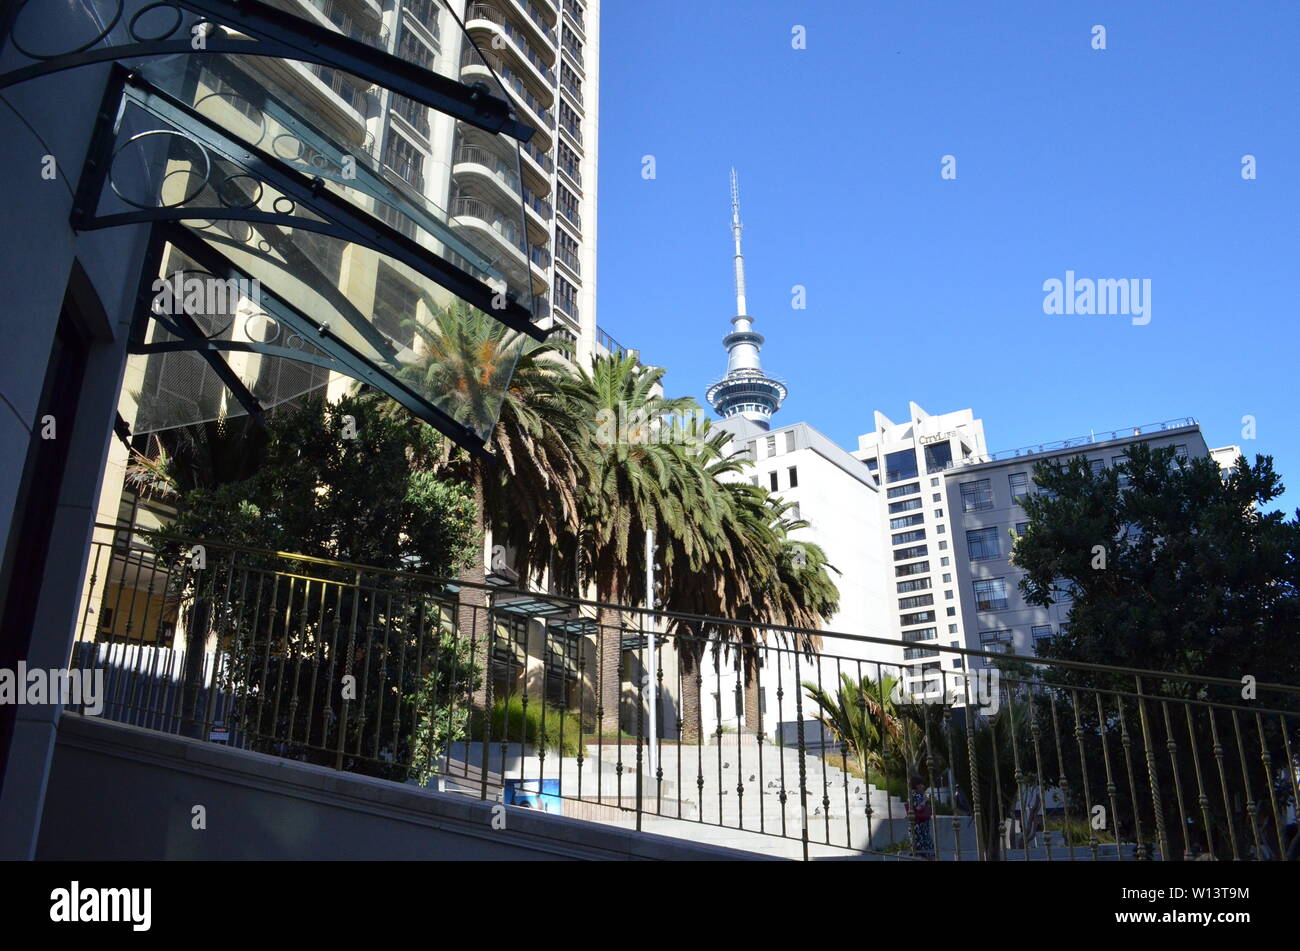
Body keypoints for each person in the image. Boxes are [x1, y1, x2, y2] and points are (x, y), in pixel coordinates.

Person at [908, 776, 935, 860]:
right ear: (917, 786)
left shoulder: (918, 795)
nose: (923, 786)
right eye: (921, 784)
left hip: (922, 828)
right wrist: (925, 800)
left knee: (926, 852)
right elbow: (918, 808)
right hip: (920, 829)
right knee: (927, 852)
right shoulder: (915, 795)